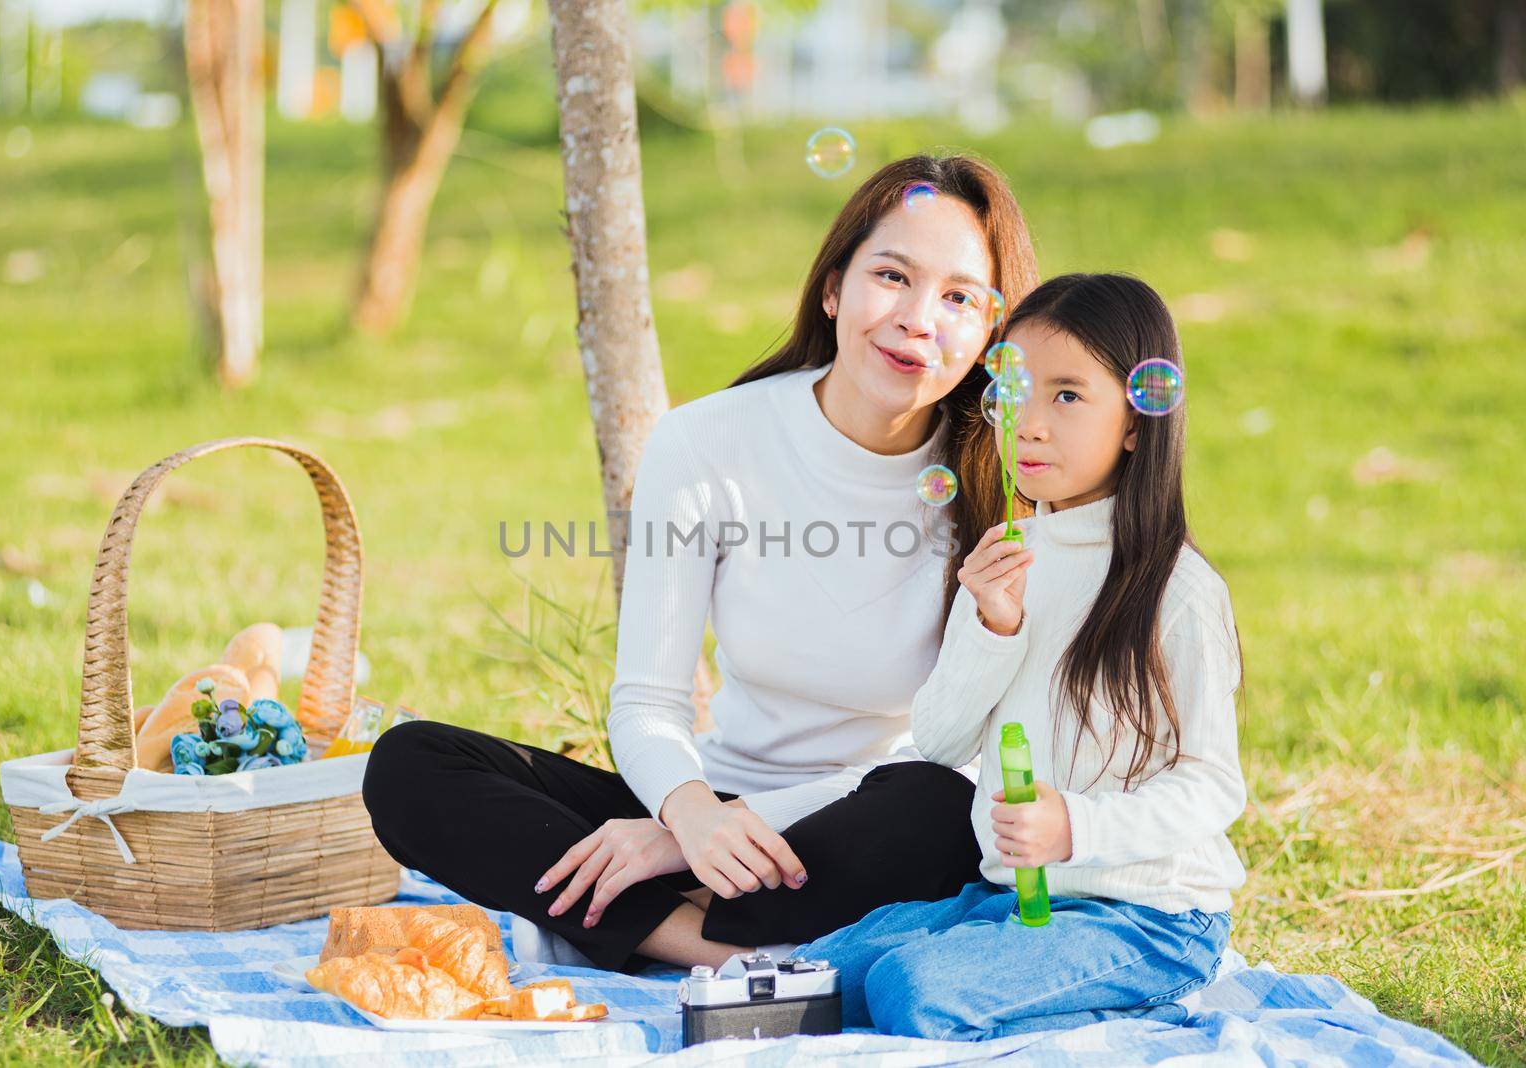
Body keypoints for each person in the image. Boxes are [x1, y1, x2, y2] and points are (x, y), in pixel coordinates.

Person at [362, 154, 1041, 972]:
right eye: (892, 276)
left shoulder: (1008, 482)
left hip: (865, 819)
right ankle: (717, 950)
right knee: (410, 766)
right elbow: (648, 701)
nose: (919, 319)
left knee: (942, 805)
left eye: (960, 298)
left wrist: (682, 844)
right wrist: (688, 817)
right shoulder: (708, 442)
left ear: (993, 336)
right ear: (833, 289)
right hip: (710, 808)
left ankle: (650, 914)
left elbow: (959, 751)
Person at [792, 273, 1248, 1040]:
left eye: (1067, 396)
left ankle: (1140, 1009)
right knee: (826, 970)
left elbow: (1213, 787)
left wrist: (1076, 826)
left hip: (1151, 920)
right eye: (1013, 393)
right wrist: (992, 627)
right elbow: (939, 739)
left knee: (914, 991)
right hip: (1023, 899)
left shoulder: (1178, 591)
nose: (1028, 425)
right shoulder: (1012, 559)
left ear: (1138, 421)